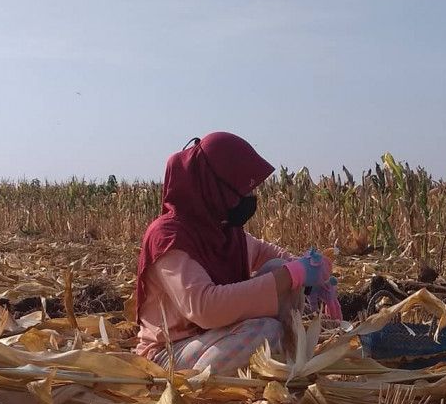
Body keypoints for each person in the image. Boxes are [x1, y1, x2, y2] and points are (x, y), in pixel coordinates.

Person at [135, 132, 332, 374]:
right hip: (169, 353)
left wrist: (308, 273)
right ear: (215, 188)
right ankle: (197, 387)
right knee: (266, 332)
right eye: (243, 190)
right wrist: (291, 276)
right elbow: (205, 308)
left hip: (217, 338)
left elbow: (267, 254)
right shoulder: (167, 238)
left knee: (277, 267)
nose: (249, 198)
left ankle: (284, 365)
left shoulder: (223, 231)